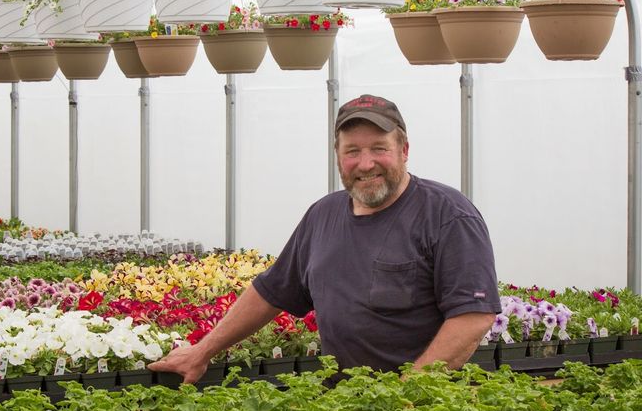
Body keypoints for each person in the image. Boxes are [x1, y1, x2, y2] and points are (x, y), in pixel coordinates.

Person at [149, 94, 501, 384]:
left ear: (404, 150)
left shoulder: (447, 215)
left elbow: (473, 317)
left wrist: (408, 391)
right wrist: (202, 351)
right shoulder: (323, 215)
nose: (365, 164)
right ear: (338, 155)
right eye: (352, 151)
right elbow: (270, 292)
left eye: (379, 148)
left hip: (430, 410)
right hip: (343, 406)